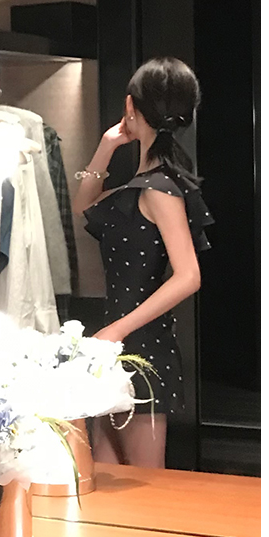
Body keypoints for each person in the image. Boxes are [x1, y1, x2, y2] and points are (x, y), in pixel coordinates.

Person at [72, 56, 214, 470]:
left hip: (143, 348)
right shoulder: (146, 184)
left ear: (130, 106)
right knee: (107, 477)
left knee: (146, 487)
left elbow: (188, 276)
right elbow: (83, 206)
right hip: (120, 344)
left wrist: (116, 330)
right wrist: (106, 145)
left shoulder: (159, 189)